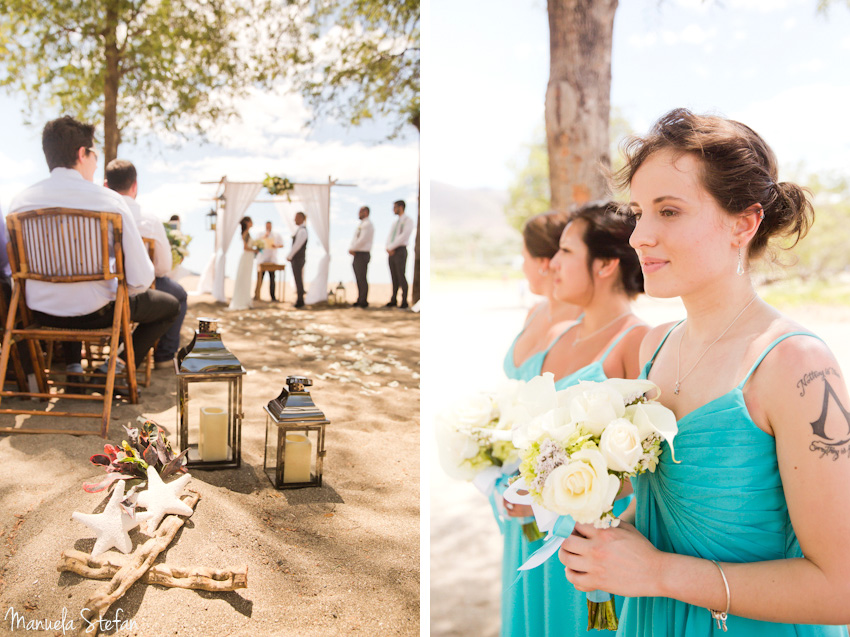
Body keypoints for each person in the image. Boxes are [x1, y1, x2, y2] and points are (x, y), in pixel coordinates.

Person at [558, 109, 850, 635]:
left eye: (668, 211)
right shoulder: (654, 346)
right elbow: (670, 508)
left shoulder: (796, 364)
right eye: (638, 212)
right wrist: (606, 535)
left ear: (744, 223)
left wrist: (658, 573)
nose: (639, 236)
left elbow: (841, 588)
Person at [501, 202, 647, 637]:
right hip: (529, 530)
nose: (553, 264)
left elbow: (647, 465)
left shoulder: (636, 341)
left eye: (566, 251)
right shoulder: (558, 333)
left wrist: (557, 498)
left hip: (589, 537)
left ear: (604, 264)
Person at [8, 116, 178, 386]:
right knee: (170, 305)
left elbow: (10, 270)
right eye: (94, 155)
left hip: (38, 314)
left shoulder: (20, 203)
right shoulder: (109, 201)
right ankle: (114, 366)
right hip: (97, 314)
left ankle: (68, 367)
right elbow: (141, 279)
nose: (97, 163)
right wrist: (112, 290)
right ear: (81, 154)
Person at [105, 159, 187, 369]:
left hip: (100, 289)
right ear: (135, 186)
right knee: (177, 296)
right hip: (136, 292)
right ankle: (164, 355)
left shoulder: (96, 216)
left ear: (106, 185)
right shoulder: (149, 220)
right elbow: (163, 268)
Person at [385, 199, 413, 309]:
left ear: (400, 207)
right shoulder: (395, 223)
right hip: (392, 252)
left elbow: (404, 236)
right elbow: (390, 236)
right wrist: (388, 247)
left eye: (395, 207)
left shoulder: (408, 220)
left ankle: (404, 301)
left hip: (400, 250)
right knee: (394, 276)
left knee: (401, 275)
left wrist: (392, 247)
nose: (393, 210)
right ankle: (393, 299)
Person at [348, 206, 374, 308]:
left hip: (362, 254)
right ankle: (360, 299)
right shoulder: (362, 224)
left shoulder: (368, 225)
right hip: (358, 253)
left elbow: (362, 239)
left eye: (360, 212)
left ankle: (363, 301)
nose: (358, 214)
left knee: (362, 277)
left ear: (366, 212)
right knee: (358, 278)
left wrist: (353, 248)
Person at [229, 216, 256, 311]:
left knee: (247, 279)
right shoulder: (245, 233)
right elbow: (245, 247)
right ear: (247, 222)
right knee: (243, 278)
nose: (252, 223)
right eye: (251, 221)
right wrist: (255, 250)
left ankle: (246, 300)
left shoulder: (248, 234)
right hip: (246, 257)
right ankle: (241, 301)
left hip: (249, 258)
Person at [256, 221, 284, 301]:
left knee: (272, 279)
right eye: (267, 226)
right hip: (262, 260)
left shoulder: (276, 235)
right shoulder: (260, 234)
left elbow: (282, 244)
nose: (268, 227)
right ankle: (257, 296)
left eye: (269, 226)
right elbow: (257, 243)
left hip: (272, 260)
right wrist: (265, 237)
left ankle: (273, 297)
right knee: (260, 279)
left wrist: (276, 246)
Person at [287, 211, 308, 308]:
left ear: (301, 218)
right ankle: (299, 300)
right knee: (297, 279)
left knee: (298, 279)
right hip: (297, 258)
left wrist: (290, 255)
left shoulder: (302, 231)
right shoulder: (300, 230)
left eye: (296, 218)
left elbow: (297, 245)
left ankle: (300, 301)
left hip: (298, 259)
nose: (294, 220)